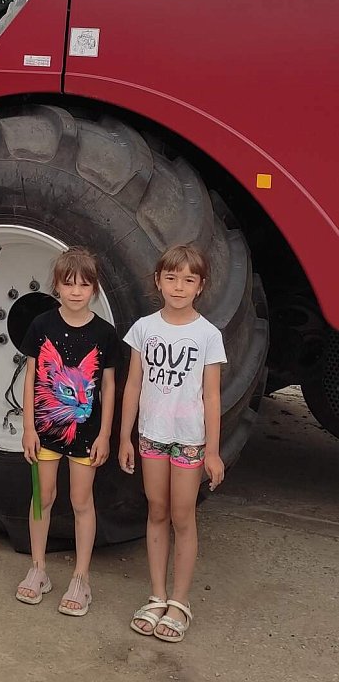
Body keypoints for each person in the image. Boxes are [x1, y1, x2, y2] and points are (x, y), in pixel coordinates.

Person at [119, 244, 226, 644]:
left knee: (183, 516)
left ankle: (179, 602)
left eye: (188, 280)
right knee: (157, 510)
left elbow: (211, 396)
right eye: (171, 278)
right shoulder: (143, 329)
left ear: (200, 286)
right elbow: (133, 384)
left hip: (189, 441)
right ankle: (157, 596)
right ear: (158, 281)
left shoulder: (208, 335)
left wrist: (212, 451)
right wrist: (125, 436)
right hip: (152, 436)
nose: (179, 287)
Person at [16, 247, 118, 615]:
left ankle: (81, 578)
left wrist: (105, 434)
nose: (76, 291)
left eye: (84, 284)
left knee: (80, 501)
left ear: (95, 289)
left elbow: (109, 386)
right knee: (42, 496)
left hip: (87, 436)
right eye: (69, 283)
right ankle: (38, 568)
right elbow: (31, 377)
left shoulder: (105, 333)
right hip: (44, 432)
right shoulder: (42, 325)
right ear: (56, 286)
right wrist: (28, 427)